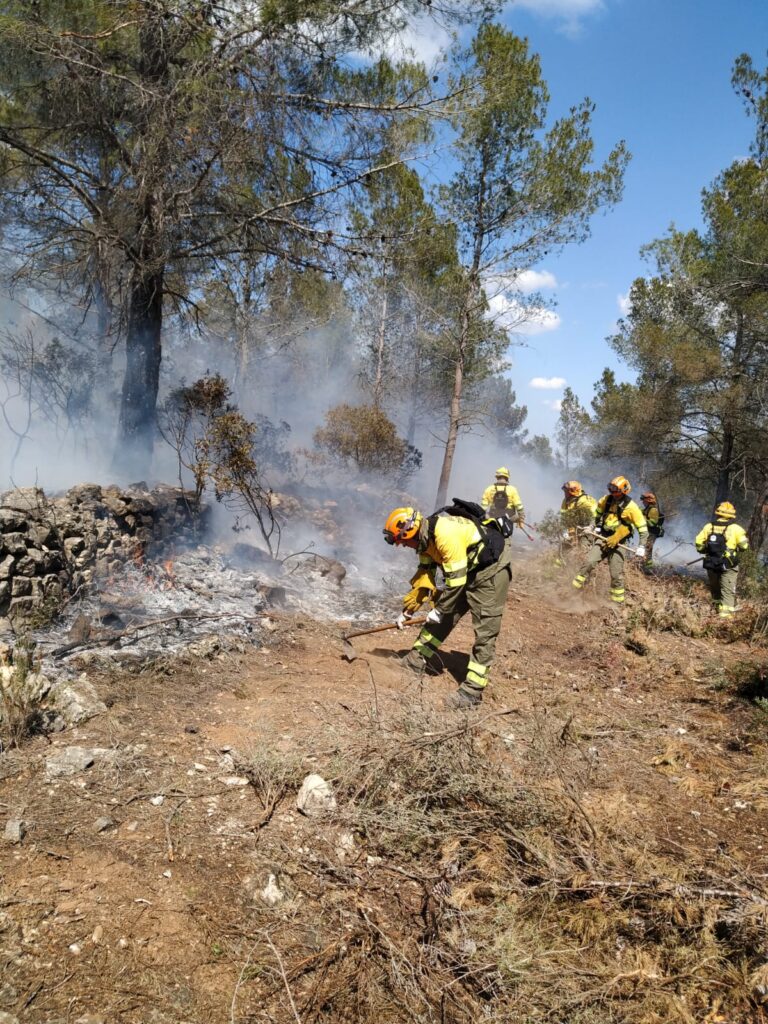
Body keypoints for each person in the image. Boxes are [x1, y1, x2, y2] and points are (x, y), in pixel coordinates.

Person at [383, 502, 512, 708]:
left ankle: (471, 693)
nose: (403, 546)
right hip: (466, 569)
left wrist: (439, 610)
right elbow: (424, 582)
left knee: (485, 631)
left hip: (490, 571)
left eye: (402, 542)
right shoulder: (424, 542)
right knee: (442, 617)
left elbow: (456, 582)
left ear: (409, 534)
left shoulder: (444, 535)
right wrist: (407, 612)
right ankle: (415, 660)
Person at [571, 476, 648, 605]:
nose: (612, 493)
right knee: (589, 562)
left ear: (624, 491)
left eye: (615, 490)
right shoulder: (605, 500)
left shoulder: (632, 507)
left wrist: (641, 546)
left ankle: (616, 603)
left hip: (620, 542)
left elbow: (643, 528)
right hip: (604, 537)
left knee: (615, 573)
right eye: (610, 489)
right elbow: (597, 515)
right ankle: (573, 590)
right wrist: (591, 526)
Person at [694, 502, 749, 618]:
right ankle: (725, 621)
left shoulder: (709, 526)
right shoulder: (736, 528)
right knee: (727, 593)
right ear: (732, 515)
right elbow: (744, 546)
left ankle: (715, 614)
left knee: (716, 591)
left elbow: (699, 544)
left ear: (717, 512)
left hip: (711, 564)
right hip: (728, 565)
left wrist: (706, 550)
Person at [559, 481, 597, 558]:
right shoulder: (566, 501)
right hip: (573, 528)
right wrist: (564, 530)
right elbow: (564, 516)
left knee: (583, 549)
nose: (565, 493)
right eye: (565, 491)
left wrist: (590, 527)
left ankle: (583, 567)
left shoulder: (584, 501)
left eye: (566, 491)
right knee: (566, 547)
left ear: (573, 491)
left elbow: (594, 517)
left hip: (586, 529)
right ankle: (563, 566)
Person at [640, 491, 665, 568]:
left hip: (651, 533)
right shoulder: (647, 509)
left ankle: (648, 568)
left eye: (643, 499)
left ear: (648, 500)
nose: (642, 501)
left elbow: (652, 523)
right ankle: (644, 565)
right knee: (645, 549)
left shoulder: (653, 510)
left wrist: (642, 518)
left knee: (647, 550)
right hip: (648, 532)